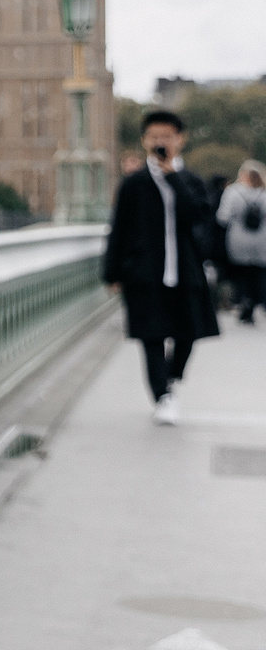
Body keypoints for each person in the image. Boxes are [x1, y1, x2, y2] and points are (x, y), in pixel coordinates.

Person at [102, 108, 219, 423]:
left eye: (166, 136)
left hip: (186, 271)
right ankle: (162, 397)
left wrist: (173, 178)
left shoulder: (192, 181)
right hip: (144, 272)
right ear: (144, 141)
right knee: (151, 336)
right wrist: (112, 272)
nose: (160, 142)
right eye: (154, 137)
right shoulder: (133, 184)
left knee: (188, 333)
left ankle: (171, 376)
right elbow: (119, 228)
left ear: (180, 139)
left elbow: (198, 216)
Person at [218, 160, 266, 326]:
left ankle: (244, 300)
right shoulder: (264, 193)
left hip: (238, 238)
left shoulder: (233, 192)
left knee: (241, 274)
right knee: (258, 274)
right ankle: (254, 303)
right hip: (261, 239)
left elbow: (223, 217)